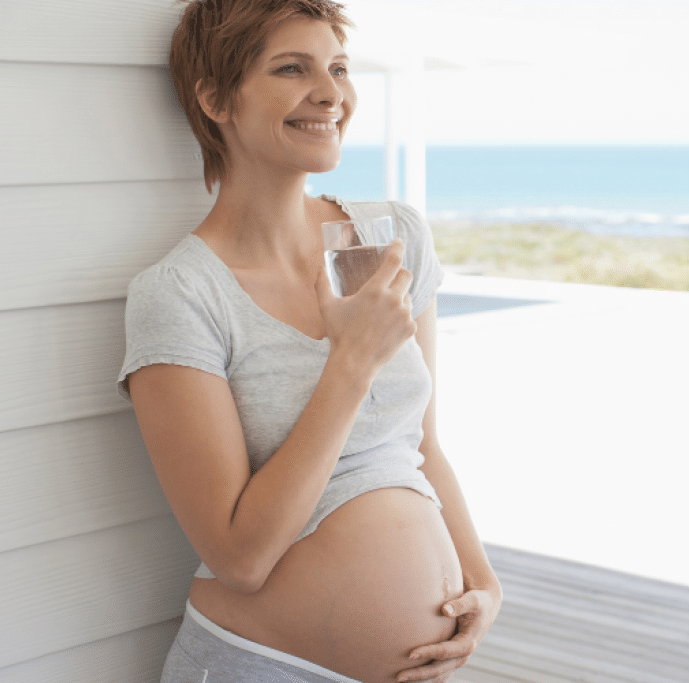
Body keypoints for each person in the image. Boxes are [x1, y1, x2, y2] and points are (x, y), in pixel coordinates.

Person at [117, 1, 501, 681]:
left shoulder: (393, 238)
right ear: (215, 99)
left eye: (339, 68)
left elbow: (422, 444)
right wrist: (349, 363)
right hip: (261, 666)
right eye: (292, 69)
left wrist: (482, 580)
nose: (332, 93)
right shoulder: (180, 294)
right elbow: (240, 558)